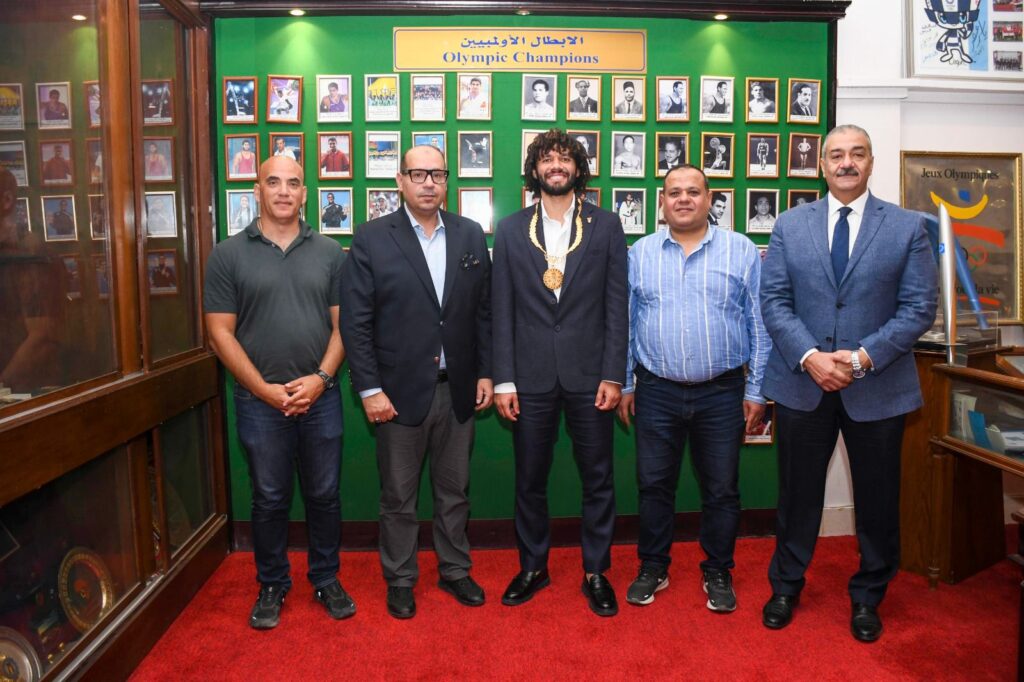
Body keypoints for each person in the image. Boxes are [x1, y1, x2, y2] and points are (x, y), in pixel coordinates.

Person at [759, 125, 938, 642]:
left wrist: (861, 359)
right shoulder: (791, 225)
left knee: (878, 501)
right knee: (797, 497)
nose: (846, 163)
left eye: (857, 154)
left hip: (878, 388)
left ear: (871, 162)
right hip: (803, 383)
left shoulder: (907, 227)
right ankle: (786, 586)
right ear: (821, 165)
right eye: (836, 155)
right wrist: (811, 357)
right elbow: (774, 301)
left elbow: (919, 308)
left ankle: (868, 596)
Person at [340, 145, 492, 619]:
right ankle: (401, 578)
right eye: (418, 174)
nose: (429, 182)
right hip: (397, 393)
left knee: (455, 491)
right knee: (399, 497)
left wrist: (486, 372)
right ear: (400, 181)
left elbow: (483, 312)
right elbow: (356, 322)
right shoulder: (371, 237)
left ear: (447, 181)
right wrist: (369, 390)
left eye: (437, 174)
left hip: (458, 388)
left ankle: (454, 570)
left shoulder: (469, 234)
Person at [204, 155, 351, 630]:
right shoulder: (227, 255)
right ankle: (271, 583)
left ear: (305, 193)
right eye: (273, 182)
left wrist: (321, 380)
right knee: (268, 497)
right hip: (258, 402)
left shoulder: (330, 253)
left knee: (324, 495)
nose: (284, 191)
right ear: (258, 191)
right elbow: (219, 333)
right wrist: (264, 391)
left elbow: (344, 327)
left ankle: (325, 578)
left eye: (293, 183)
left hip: (321, 398)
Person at [617, 164, 770, 611]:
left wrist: (756, 391)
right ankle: (653, 566)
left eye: (693, 191)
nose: (683, 199)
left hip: (722, 392)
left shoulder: (742, 250)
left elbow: (759, 325)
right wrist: (625, 383)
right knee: (653, 485)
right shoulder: (640, 253)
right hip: (656, 391)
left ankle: (718, 570)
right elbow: (626, 324)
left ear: (709, 199)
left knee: (722, 488)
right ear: (661, 203)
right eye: (674, 192)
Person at [492, 128, 628, 617]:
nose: (556, 166)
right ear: (534, 169)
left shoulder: (606, 225)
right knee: (529, 478)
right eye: (547, 158)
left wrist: (614, 374)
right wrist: (504, 379)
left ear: (577, 169)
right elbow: (501, 308)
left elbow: (617, 304)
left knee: (598, 478)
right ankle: (533, 567)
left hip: (591, 377)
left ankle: (596, 572)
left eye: (565, 158)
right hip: (529, 379)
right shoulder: (511, 229)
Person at [0, 168, 63, 394]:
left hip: (27, 393)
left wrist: (2, 386)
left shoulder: (30, 252)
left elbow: (41, 337)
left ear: (7, 200)